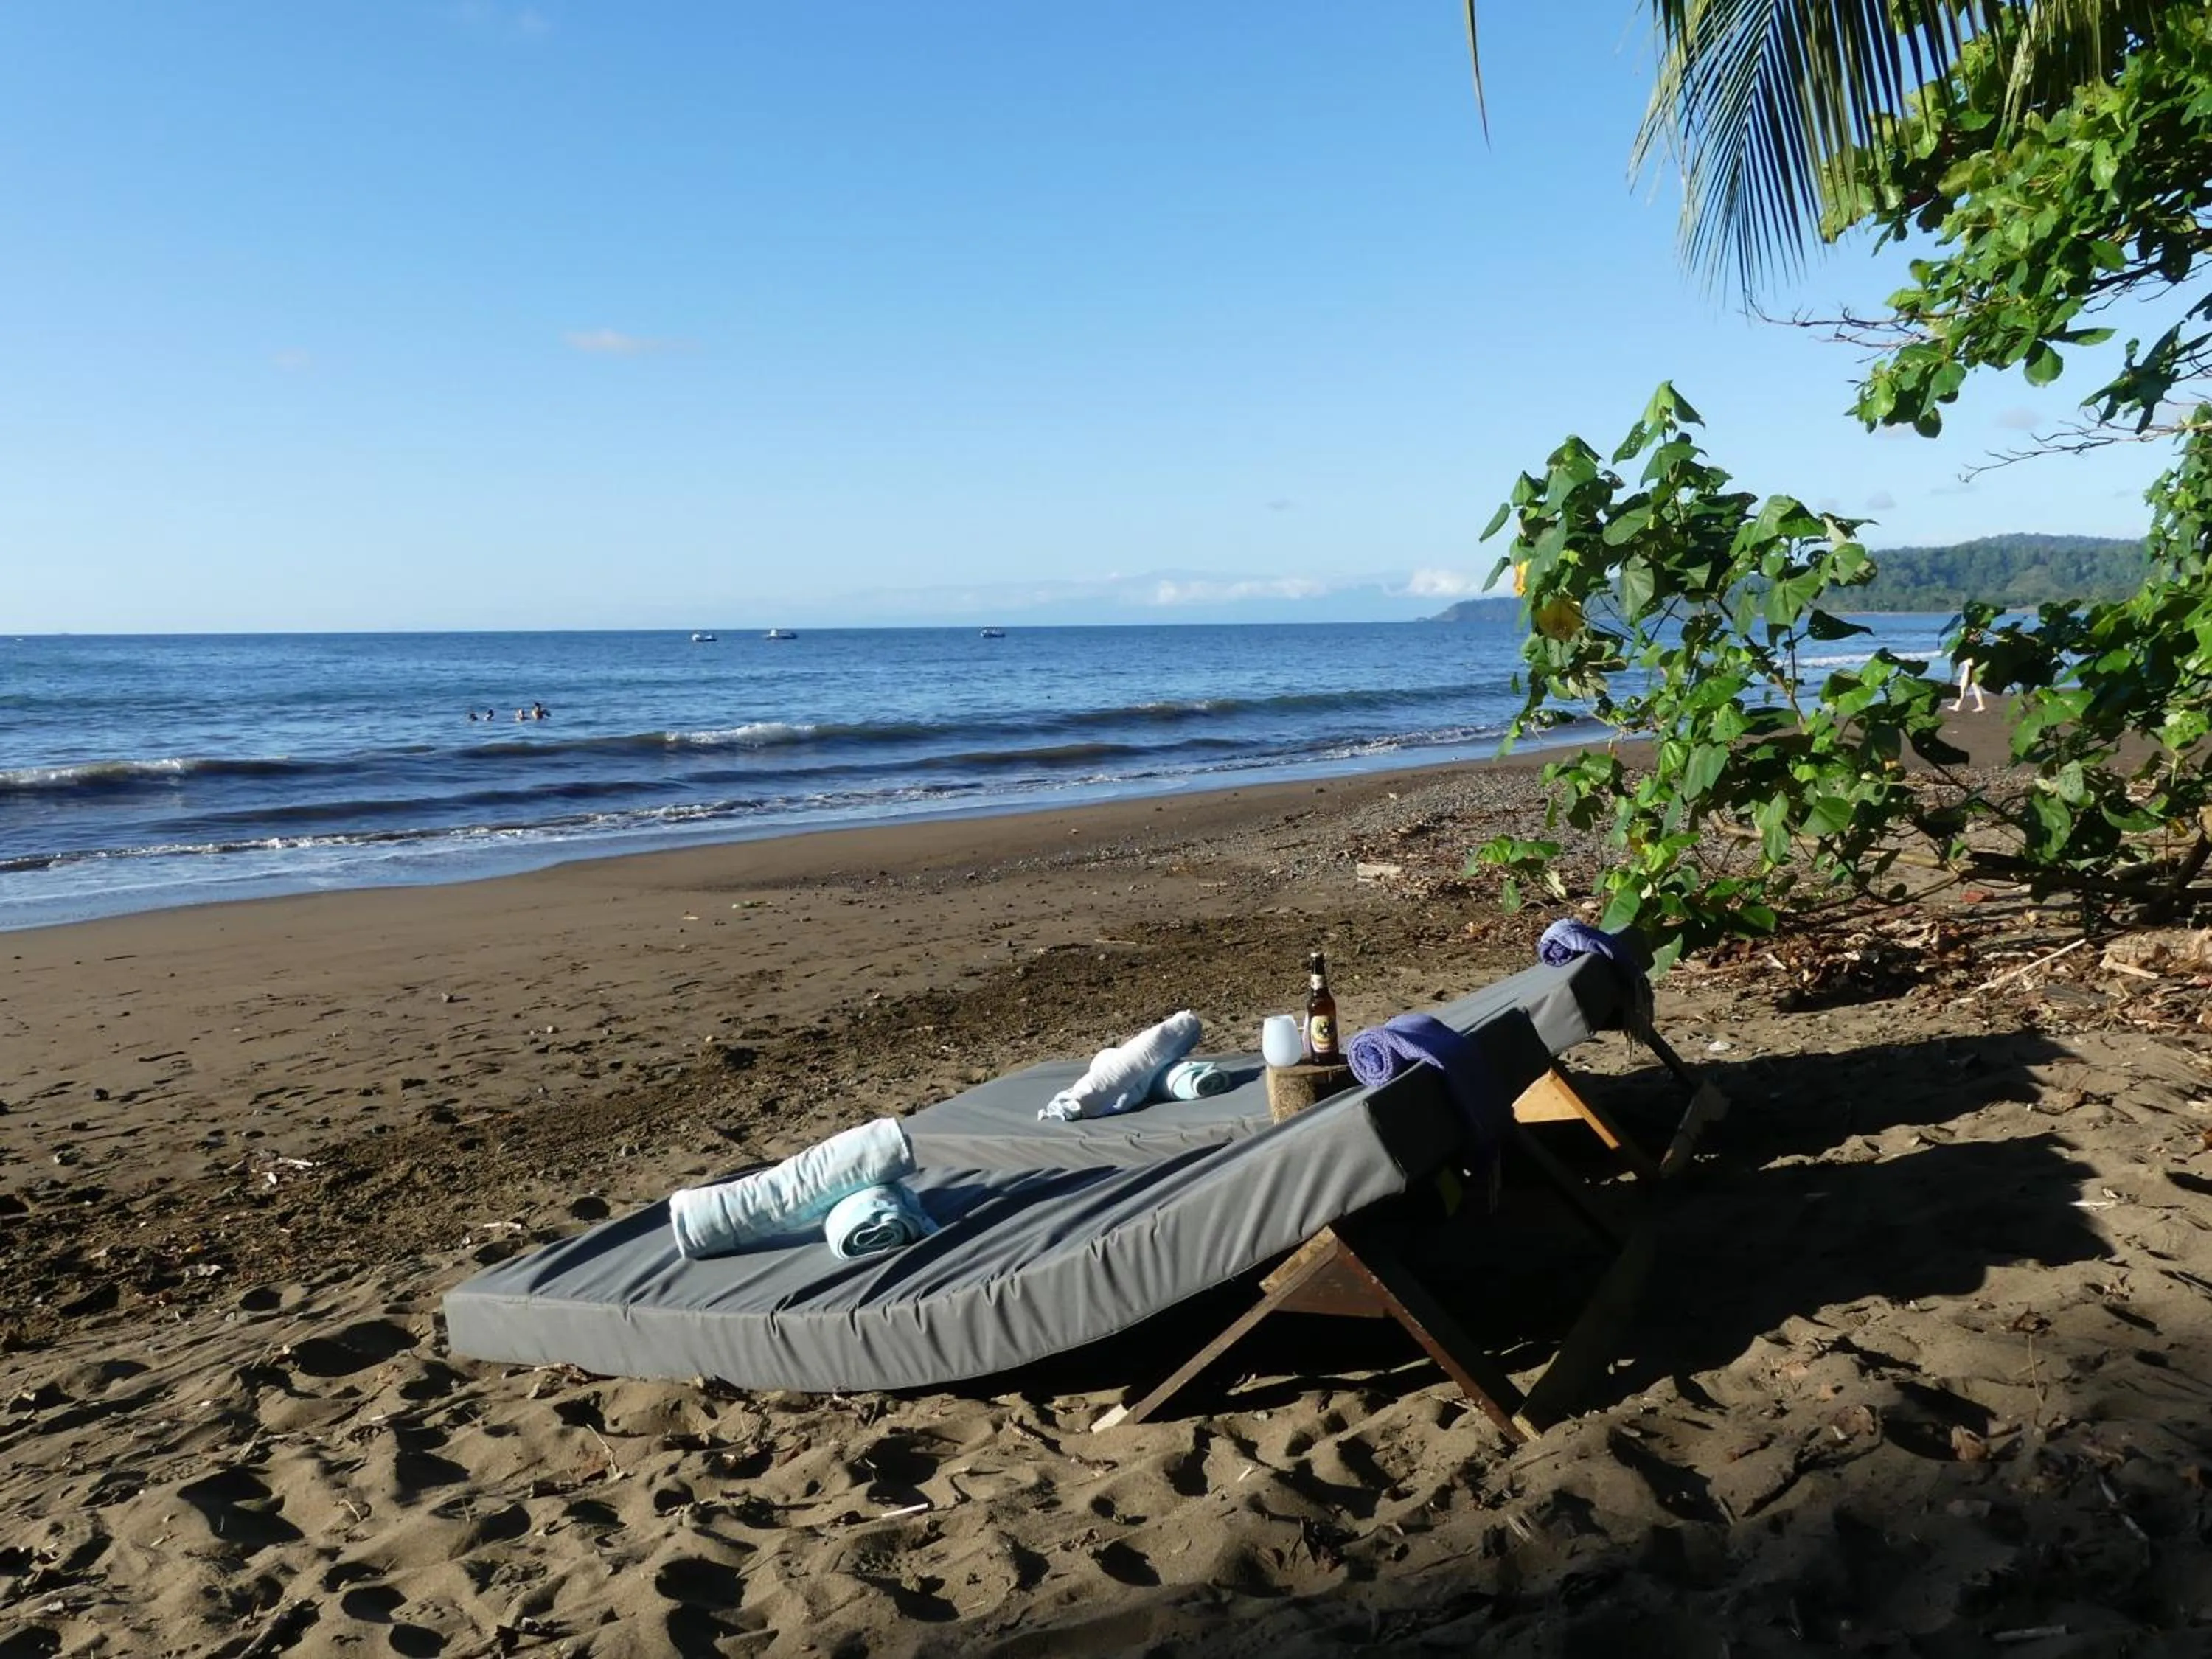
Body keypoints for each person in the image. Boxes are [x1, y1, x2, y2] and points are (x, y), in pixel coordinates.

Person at [1950, 622, 1988, 714]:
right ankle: (1981, 705)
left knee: (1962, 688)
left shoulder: (1968, 644)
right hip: (1974, 668)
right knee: (1975, 687)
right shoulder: (1975, 644)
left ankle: (1957, 706)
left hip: (1969, 669)